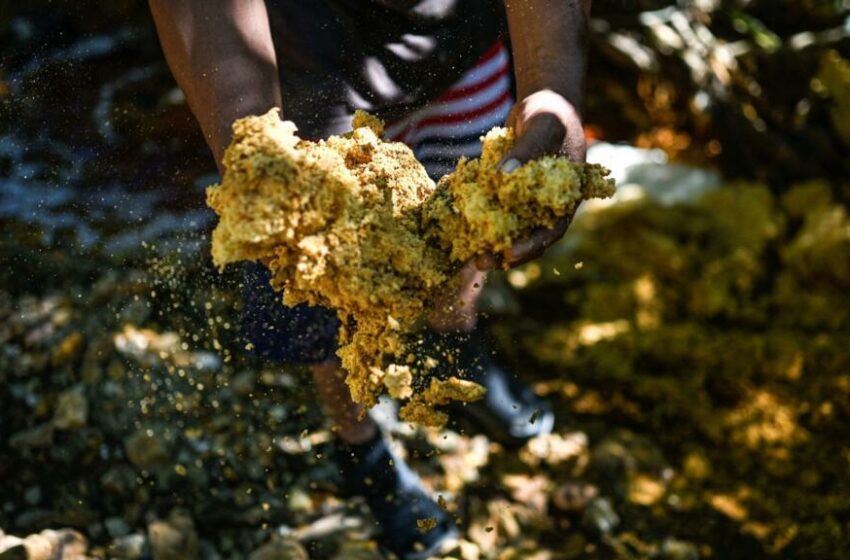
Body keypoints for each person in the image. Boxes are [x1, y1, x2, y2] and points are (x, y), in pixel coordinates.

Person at [149, 1, 590, 557]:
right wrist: (255, 160)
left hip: (464, 53)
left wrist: (553, 86)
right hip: (307, 83)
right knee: (325, 292)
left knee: (469, 219)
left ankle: (454, 340)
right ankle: (362, 446)